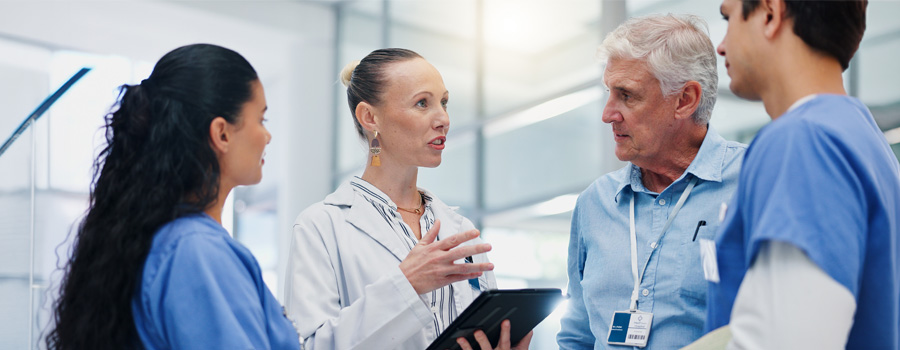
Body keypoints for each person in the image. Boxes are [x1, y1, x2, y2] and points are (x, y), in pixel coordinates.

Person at [46, 44, 300, 349]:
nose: (267, 135)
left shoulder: (163, 241)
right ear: (222, 134)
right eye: (261, 120)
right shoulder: (198, 252)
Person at [283, 48, 530, 350]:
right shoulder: (321, 227)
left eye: (444, 102)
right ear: (370, 117)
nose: (443, 119)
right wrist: (406, 285)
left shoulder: (457, 228)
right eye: (422, 103)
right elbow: (308, 346)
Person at [705, 0, 899, 348]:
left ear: (769, 13)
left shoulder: (802, 140)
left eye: (728, 16)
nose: (721, 45)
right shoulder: (863, 138)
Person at [557, 14, 747, 349]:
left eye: (627, 95)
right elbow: (577, 336)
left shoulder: (753, 180)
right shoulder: (594, 203)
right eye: (609, 92)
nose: (608, 113)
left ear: (684, 100)